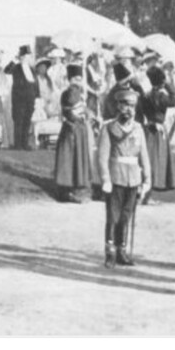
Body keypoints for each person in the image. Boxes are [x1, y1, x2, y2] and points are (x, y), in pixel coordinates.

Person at [97, 88, 152, 268]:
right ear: (117, 106)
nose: (128, 110)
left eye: (132, 106)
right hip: (115, 177)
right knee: (113, 216)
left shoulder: (138, 129)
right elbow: (102, 157)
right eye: (125, 105)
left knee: (126, 216)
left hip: (133, 178)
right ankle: (110, 252)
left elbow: (144, 156)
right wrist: (105, 178)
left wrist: (147, 180)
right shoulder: (108, 129)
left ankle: (122, 250)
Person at [54, 64, 92, 203]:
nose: (78, 81)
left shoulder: (77, 92)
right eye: (75, 78)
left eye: (80, 78)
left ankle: (77, 188)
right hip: (72, 129)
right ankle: (67, 189)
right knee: (70, 158)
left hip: (78, 128)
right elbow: (70, 106)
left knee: (78, 157)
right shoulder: (70, 92)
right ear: (70, 79)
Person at [141, 65, 175, 198]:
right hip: (158, 131)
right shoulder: (161, 96)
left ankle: (145, 193)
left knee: (147, 160)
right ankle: (148, 194)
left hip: (148, 129)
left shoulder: (146, 95)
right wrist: (168, 84)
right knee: (156, 162)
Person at [4, 45, 39, 150]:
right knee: (18, 120)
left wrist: (37, 96)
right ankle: (18, 144)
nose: (26, 57)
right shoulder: (16, 67)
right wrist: (15, 60)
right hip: (19, 98)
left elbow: (35, 84)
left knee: (27, 120)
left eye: (28, 55)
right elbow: (7, 71)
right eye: (24, 55)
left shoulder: (32, 69)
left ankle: (25, 143)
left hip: (30, 98)